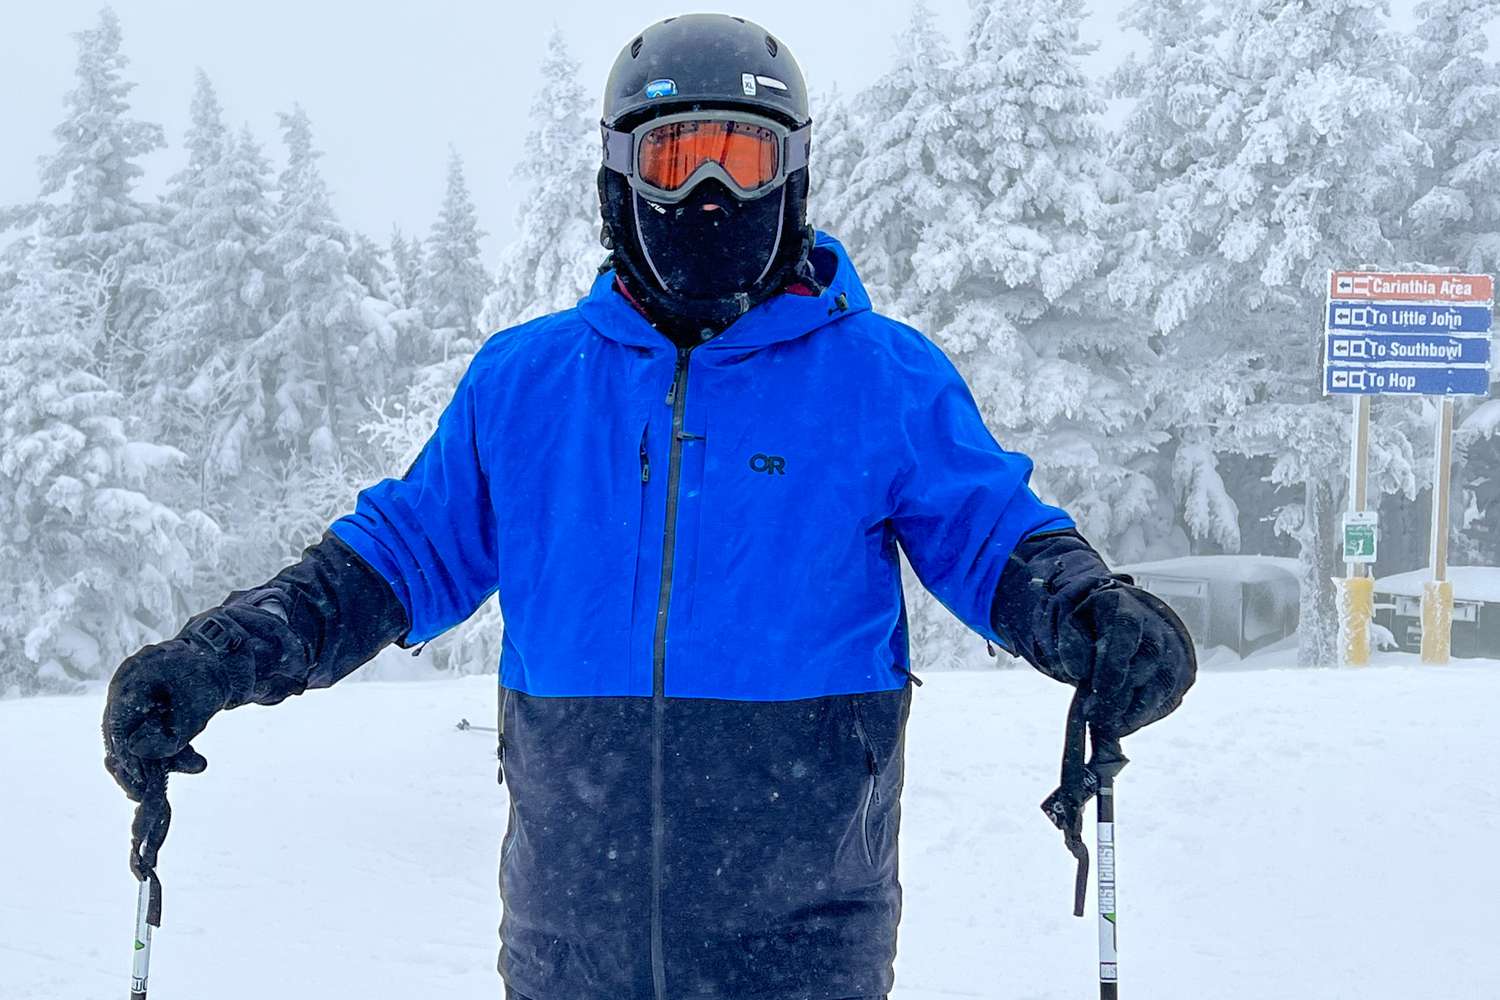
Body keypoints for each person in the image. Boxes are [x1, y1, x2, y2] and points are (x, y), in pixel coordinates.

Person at [102, 14, 1195, 1000]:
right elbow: (388, 559)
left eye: (744, 155)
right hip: (572, 942)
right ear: (619, 180)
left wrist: (1083, 605)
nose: (708, 194)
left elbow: (992, 530)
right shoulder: (527, 387)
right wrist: (219, 655)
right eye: (675, 158)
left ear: (794, 181)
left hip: (803, 941)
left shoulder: (879, 381)